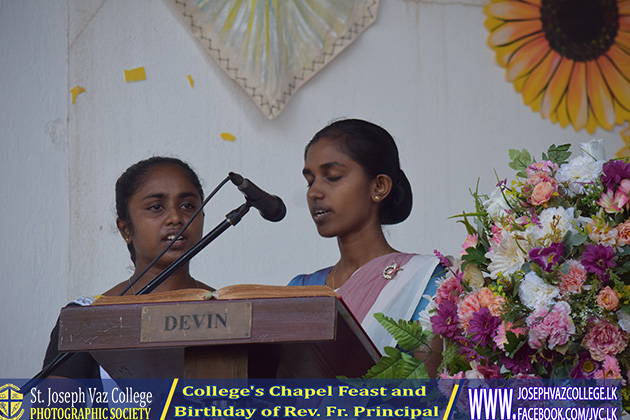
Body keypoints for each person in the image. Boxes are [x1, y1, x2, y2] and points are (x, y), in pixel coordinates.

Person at [42, 156, 215, 378]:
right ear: (125, 229)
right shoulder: (87, 317)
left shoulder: (231, 310)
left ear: (202, 215)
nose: (175, 217)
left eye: (187, 206)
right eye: (156, 207)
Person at [289, 119, 443, 363]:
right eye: (310, 180)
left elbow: (432, 393)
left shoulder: (426, 283)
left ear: (379, 186)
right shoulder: (300, 289)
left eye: (332, 177)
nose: (314, 192)